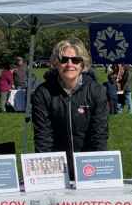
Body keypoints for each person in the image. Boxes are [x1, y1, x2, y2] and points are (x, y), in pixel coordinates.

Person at [31, 39, 108, 175]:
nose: (69, 64)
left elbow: (99, 135)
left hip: (88, 165)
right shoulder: (42, 93)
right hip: (57, 166)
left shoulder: (97, 91)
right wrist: (48, 173)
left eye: (75, 60)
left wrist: (94, 169)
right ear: (56, 63)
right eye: (64, 60)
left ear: (82, 63)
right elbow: (43, 136)